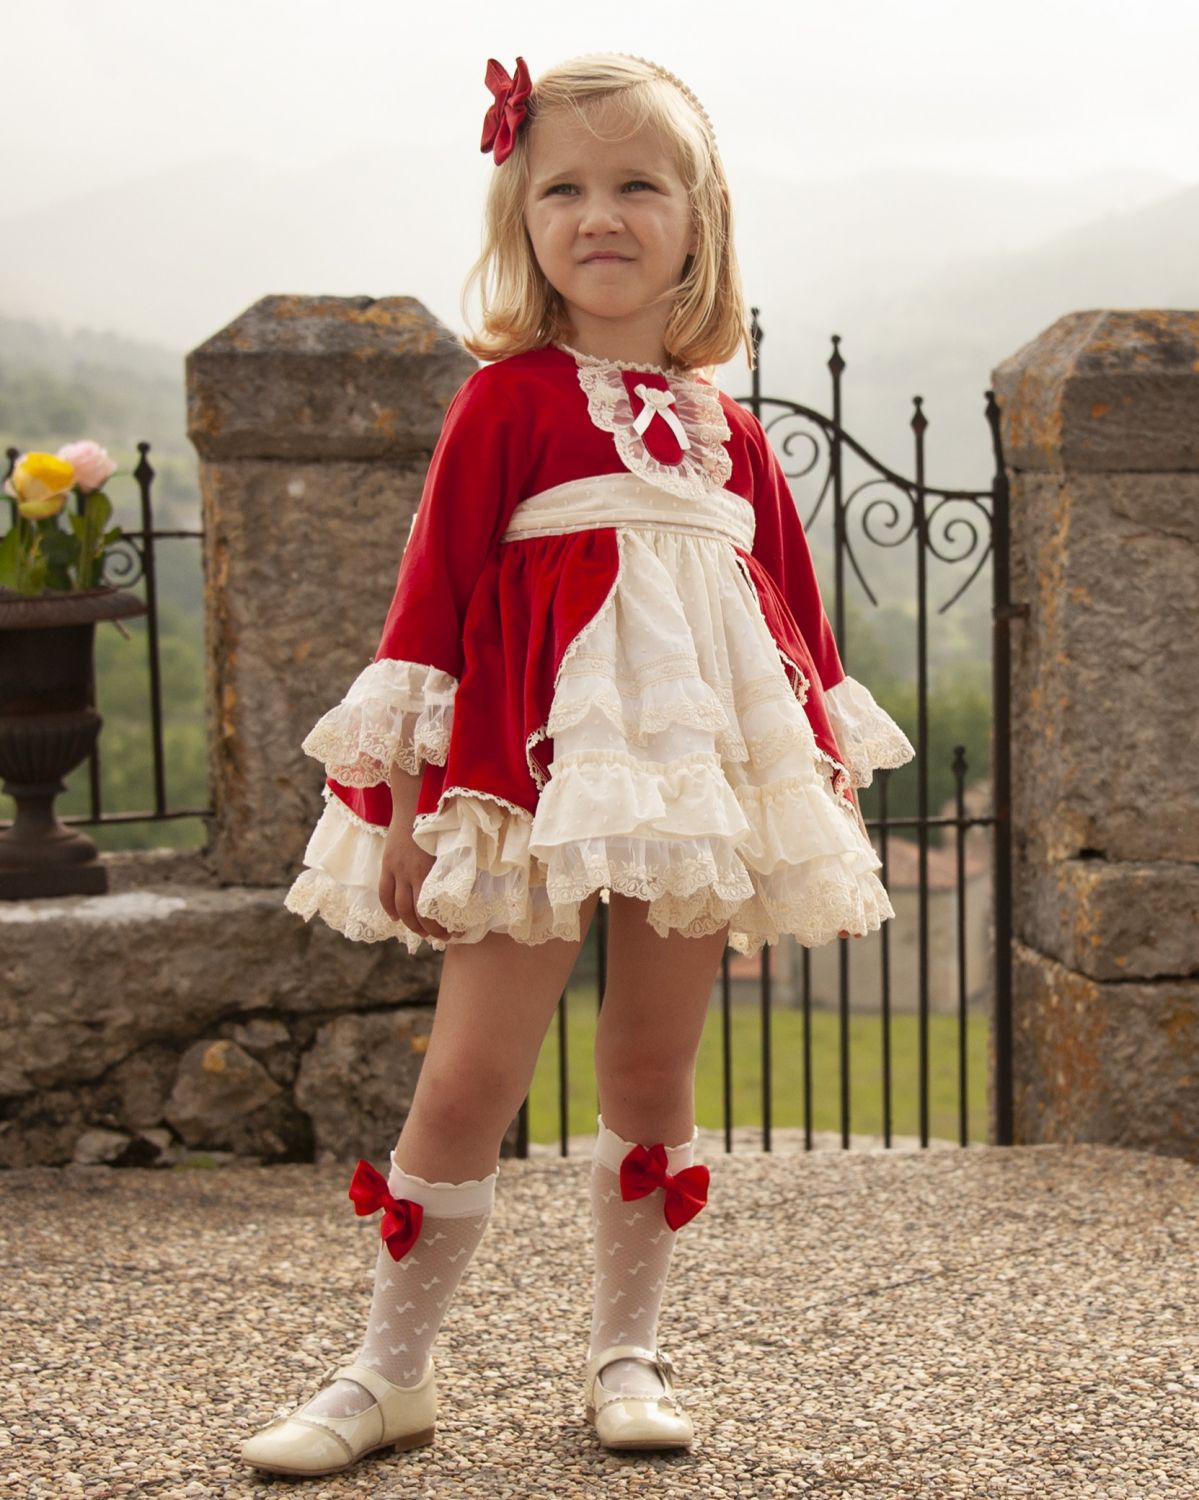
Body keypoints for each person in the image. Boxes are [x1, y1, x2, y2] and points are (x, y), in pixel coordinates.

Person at [241, 51, 915, 1479]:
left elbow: (790, 636)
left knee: (653, 1068)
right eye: (563, 189)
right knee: (471, 1075)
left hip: (690, 804)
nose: (599, 214)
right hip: (518, 788)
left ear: (698, 217)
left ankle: (629, 1356)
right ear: (523, 218)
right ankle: (386, 1373)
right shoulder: (508, 403)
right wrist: (411, 811)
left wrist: (804, 801)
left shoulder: (737, 437)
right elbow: (428, 615)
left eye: (636, 185)